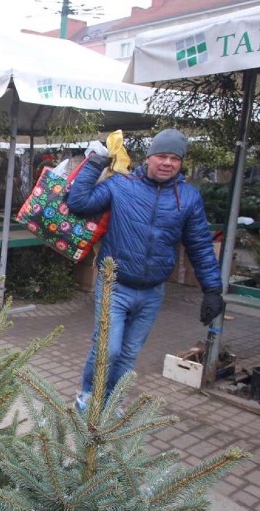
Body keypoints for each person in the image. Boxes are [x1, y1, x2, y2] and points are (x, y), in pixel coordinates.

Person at [66, 128, 225, 411]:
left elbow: (200, 244)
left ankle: (113, 402)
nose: (167, 163)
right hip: (114, 284)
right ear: (149, 157)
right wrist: (95, 163)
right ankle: (88, 396)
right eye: (162, 156)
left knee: (127, 355)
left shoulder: (188, 197)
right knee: (109, 350)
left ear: (181, 163)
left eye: (174, 158)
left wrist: (212, 289)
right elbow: (79, 203)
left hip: (152, 291)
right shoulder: (122, 185)